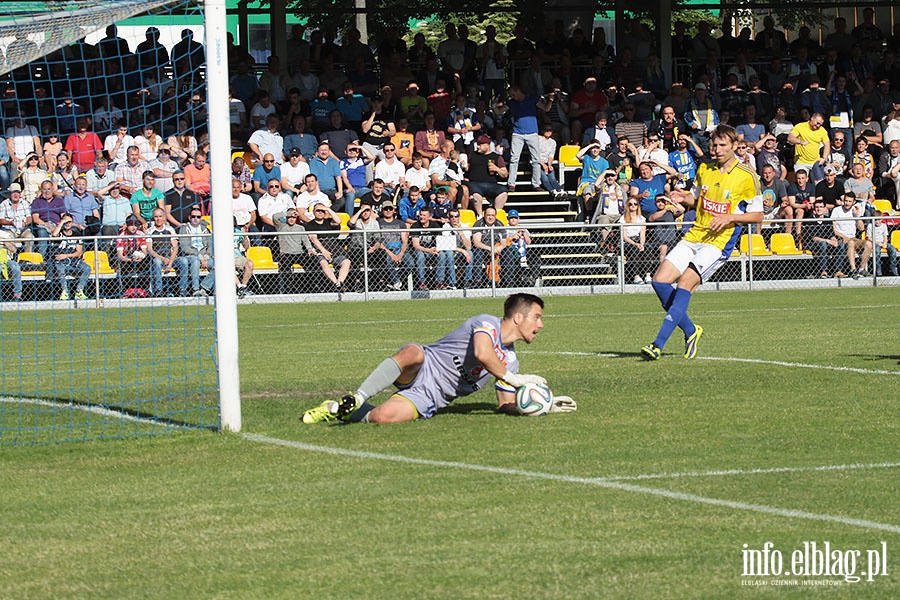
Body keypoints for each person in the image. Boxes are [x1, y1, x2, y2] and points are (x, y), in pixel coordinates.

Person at [301, 293, 576, 424]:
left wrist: (541, 405)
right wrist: (511, 377)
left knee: (382, 418)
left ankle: (338, 409)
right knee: (412, 351)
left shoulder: (511, 361)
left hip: (431, 396)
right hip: (422, 367)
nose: (540, 325)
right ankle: (358, 396)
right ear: (518, 317)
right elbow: (483, 352)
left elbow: (504, 404)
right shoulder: (485, 323)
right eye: (537, 317)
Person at [641, 124, 762, 360]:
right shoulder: (705, 167)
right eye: (713, 145)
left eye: (721, 145)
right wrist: (681, 197)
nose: (715, 149)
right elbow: (694, 198)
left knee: (685, 283)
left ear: (735, 146)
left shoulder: (747, 176)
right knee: (660, 282)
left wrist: (730, 217)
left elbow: (758, 215)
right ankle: (691, 330)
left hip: (719, 242)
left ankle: (657, 344)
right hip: (696, 234)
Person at [505, 84, 547, 191]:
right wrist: (495, 106)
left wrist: (550, 100)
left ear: (518, 90)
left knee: (536, 159)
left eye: (513, 94)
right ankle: (511, 184)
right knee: (514, 159)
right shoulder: (512, 103)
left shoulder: (532, 99)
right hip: (517, 133)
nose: (512, 97)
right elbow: (498, 111)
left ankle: (536, 184)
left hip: (532, 133)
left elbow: (546, 108)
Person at [305, 203, 351, 291]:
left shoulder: (329, 222)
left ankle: (339, 282)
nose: (320, 212)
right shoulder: (310, 225)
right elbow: (314, 239)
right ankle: (336, 283)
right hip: (320, 250)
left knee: (346, 262)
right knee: (323, 262)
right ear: (314, 212)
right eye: (318, 210)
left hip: (335, 249)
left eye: (322, 211)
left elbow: (338, 221)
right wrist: (324, 251)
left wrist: (328, 209)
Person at [146, 208, 189, 296]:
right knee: (156, 261)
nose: (158, 219)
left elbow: (175, 248)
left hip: (171, 259)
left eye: (160, 216)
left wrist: (170, 263)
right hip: (159, 259)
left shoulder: (170, 229)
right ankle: (159, 290)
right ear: (153, 218)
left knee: (183, 261)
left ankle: (183, 289)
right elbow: (150, 250)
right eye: (156, 217)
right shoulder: (150, 231)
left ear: (164, 217)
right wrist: (162, 258)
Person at [47, 213, 91, 300]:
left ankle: (79, 291)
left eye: (69, 222)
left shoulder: (77, 235)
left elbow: (79, 252)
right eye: (65, 222)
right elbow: (54, 234)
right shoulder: (59, 234)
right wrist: (62, 222)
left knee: (87, 268)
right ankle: (65, 291)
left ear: (72, 223)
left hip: (74, 260)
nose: (67, 224)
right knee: (60, 268)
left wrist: (66, 255)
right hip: (60, 262)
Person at [831, 191, 872, 279]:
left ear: (853, 202)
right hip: (841, 239)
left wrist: (857, 216)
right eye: (846, 201)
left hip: (853, 238)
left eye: (850, 201)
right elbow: (834, 229)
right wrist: (844, 237)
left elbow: (861, 228)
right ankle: (853, 270)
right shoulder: (836, 210)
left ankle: (861, 269)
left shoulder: (855, 211)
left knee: (868, 244)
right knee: (851, 243)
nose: (847, 203)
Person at [375, 201, 412, 290]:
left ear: (394, 210)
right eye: (386, 209)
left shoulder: (400, 223)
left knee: (411, 262)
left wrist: (401, 254)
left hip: (399, 249)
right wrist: (391, 254)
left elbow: (405, 240)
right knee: (387, 261)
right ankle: (396, 282)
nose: (388, 211)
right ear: (382, 210)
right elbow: (378, 242)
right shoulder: (378, 223)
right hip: (385, 250)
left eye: (390, 209)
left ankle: (398, 280)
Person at [178, 207, 215, 295]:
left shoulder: (205, 229)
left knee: (218, 265)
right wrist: (199, 256)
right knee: (195, 261)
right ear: (189, 217)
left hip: (205, 257)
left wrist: (206, 257)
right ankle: (195, 289)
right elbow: (185, 247)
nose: (195, 219)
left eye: (198, 217)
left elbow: (210, 245)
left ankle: (204, 287)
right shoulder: (184, 229)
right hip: (190, 256)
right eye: (193, 216)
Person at [273, 208, 315, 279]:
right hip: (286, 254)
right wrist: (289, 213)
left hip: (299, 253)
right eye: (289, 218)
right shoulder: (281, 226)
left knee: (314, 261)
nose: (291, 219)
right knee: (285, 267)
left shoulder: (300, 228)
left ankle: (313, 284)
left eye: (293, 218)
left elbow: (305, 240)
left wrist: (309, 249)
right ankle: (289, 287)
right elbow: (275, 217)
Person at [804, 199, 842, 278]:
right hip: (811, 244)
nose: (819, 209)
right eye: (817, 207)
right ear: (814, 208)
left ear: (825, 209)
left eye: (821, 207)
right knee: (823, 244)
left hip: (825, 243)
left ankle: (838, 271)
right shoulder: (809, 220)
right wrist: (828, 241)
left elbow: (831, 234)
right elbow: (814, 238)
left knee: (840, 244)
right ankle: (823, 270)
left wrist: (834, 240)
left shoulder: (827, 220)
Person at [868, 211, 898, 277]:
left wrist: (885, 243)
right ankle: (878, 270)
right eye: (875, 220)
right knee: (877, 251)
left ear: (881, 219)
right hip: (874, 243)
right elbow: (869, 237)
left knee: (892, 249)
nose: (877, 221)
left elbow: (885, 236)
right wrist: (877, 242)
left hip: (883, 242)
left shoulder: (884, 226)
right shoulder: (870, 226)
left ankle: (893, 268)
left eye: (878, 219)